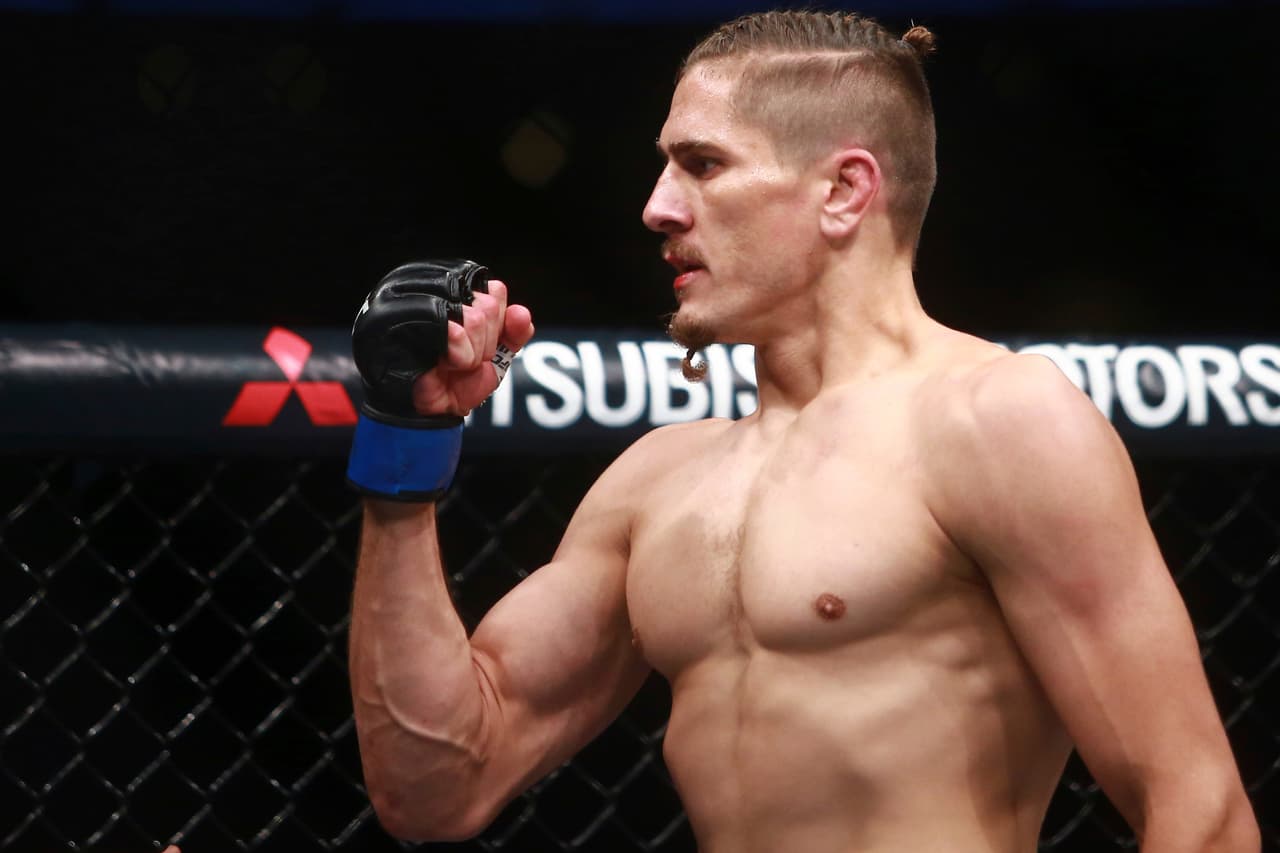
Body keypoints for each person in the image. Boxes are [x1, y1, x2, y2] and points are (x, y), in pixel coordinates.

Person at [346, 10, 1260, 852]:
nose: (657, 207)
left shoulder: (995, 421)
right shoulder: (656, 482)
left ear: (844, 191)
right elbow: (436, 785)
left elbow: (1198, 805)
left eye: (702, 164)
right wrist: (406, 440)